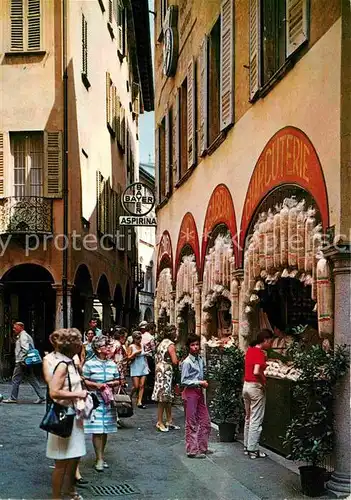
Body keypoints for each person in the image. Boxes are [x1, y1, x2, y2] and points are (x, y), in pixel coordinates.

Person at [43, 330, 88, 488]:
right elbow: (54, 392)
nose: (81, 344)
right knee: (61, 461)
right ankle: (57, 497)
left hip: (74, 413)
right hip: (63, 413)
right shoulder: (61, 365)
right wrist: (78, 394)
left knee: (73, 457)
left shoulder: (71, 362)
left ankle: (70, 492)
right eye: (78, 341)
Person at [82, 335, 120, 472]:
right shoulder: (89, 364)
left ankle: (101, 456)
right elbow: (84, 380)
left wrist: (111, 383)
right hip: (95, 401)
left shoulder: (112, 364)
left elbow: (118, 380)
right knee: (97, 430)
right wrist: (97, 385)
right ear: (98, 349)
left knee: (105, 431)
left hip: (108, 401)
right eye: (106, 346)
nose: (109, 348)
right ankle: (99, 458)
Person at [242, 329, 274, 459]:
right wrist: (263, 380)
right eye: (270, 341)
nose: (271, 344)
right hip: (255, 387)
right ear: (265, 340)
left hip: (246, 386)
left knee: (248, 417)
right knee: (256, 419)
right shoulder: (259, 353)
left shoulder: (249, 350)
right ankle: (253, 449)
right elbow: (256, 371)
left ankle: (246, 446)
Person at [181, 334, 212, 459]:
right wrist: (199, 382)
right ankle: (192, 450)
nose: (195, 347)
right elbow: (184, 380)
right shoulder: (187, 362)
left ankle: (202, 447)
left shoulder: (200, 359)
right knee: (191, 422)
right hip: (190, 392)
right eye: (192, 345)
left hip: (199, 392)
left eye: (197, 344)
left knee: (205, 421)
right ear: (189, 347)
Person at [3, 322, 45, 404]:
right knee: (31, 378)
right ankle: (41, 396)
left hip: (22, 362)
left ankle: (13, 398)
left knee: (15, 379)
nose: (13, 329)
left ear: (21, 327)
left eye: (15, 328)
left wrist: (22, 360)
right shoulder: (23, 335)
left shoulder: (23, 336)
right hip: (25, 362)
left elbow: (25, 349)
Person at [152, 325, 179, 432]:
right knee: (163, 397)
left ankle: (169, 420)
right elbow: (174, 361)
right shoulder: (170, 345)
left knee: (166, 396)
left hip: (159, 368)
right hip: (166, 370)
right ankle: (160, 421)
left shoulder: (161, 343)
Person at [127, 331, 149, 409]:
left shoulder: (142, 345)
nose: (139, 340)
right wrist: (135, 354)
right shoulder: (131, 346)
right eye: (137, 338)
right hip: (135, 366)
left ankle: (139, 401)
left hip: (143, 366)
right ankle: (130, 395)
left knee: (142, 385)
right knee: (136, 386)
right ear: (134, 339)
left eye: (140, 338)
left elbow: (145, 355)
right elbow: (128, 357)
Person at [139, 321, 156, 403]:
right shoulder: (151, 337)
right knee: (150, 377)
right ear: (151, 329)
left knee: (143, 376)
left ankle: (142, 396)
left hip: (141, 357)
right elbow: (153, 349)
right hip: (149, 358)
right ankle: (148, 396)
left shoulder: (141, 336)